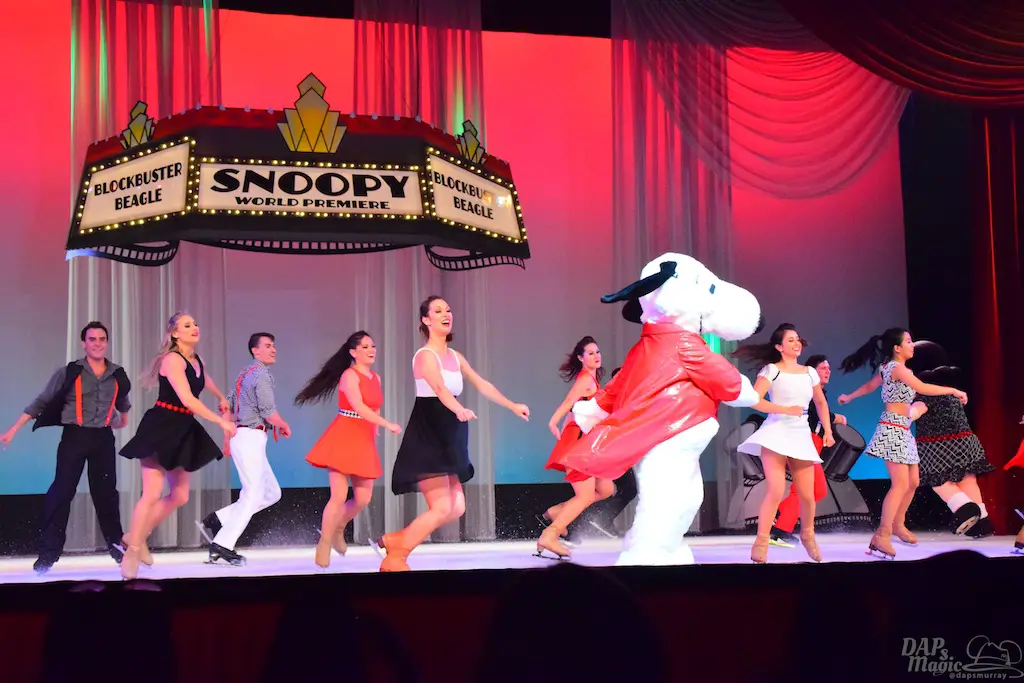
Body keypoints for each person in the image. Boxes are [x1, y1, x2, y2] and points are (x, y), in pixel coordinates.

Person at [377, 296, 530, 571]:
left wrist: (512, 405)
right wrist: (459, 409)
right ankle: (395, 557)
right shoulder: (425, 356)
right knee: (440, 507)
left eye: (448, 309)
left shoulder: (456, 357)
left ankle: (395, 539)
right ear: (426, 320)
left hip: (451, 435)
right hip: (429, 434)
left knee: (456, 508)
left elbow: (482, 384)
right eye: (438, 311)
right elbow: (438, 388)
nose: (446, 314)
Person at [0, 322, 131, 574]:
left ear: (106, 342)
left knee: (106, 495)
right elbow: (41, 401)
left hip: (103, 439)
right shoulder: (70, 372)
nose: (97, 343)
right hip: (75, 437)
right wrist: (14, 429)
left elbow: (123, 408)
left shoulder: (117, 375)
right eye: (92, 339)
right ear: (84, 343)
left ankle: (118, 551)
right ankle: (47, 556)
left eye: (102, 339)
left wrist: (118, 421)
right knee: (61, 493)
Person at [119, 312, 236, 580]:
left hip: (183, 427)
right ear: (175, 333)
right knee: (152, 492)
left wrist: (220, 397)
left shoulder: (196, 359)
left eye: (195, 324)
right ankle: (133, 549)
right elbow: (187, 398)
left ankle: (134, 535)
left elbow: (203, 380)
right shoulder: (172, 360)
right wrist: (220, 421)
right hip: (162, 425)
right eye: (187, 325)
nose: (194, 327)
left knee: (180, 495)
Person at [838, 327, 967, 560]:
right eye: (908, 341)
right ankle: (882, 535)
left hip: (903, 429)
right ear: (897, 348)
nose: (912, 345)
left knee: (913, 482)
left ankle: (898, 524)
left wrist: (850, 396)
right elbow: (922, 388)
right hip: (892, 429)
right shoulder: (896, 368)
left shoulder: (892, 368)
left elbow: (871, 386)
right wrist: (953, 390)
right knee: (900, 484)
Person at [294, 331, 402, 569]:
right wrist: (386, 423)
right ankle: (324, 543)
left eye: (372, 346)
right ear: (353, 352)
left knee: (363, 498)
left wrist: (375, 428)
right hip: (344, 434)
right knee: (339, 496)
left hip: (364, 438)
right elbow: (359, 406)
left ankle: (338, 528)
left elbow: (373, 406)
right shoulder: (349, 376)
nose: (371, 350)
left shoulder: (376, 377)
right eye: (365, 347)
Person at [734, 324, 835, 564]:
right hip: (776, 432)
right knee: (776, 489)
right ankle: (761, 541)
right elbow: (755, 401)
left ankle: (808, 535)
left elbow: (820, 402)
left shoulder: (810, 373)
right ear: (779, 347)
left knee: (807, 495)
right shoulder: (772, 370)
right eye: (790, 340)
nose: (796, 343)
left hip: (800, 434)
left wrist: (828, 431)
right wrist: (784, 409)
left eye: (797, 339)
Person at [198, 333, 291, 566]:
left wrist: (228, 437)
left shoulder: (245, 373)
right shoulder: (260, 374)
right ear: (255, 351)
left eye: (274, 345)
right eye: (268, 346)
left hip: (248, 437)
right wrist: (283, 424)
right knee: (252, 494)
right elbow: (268, 410)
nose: (273, 349)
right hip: (249, 437)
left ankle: (219, 519)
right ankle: (222, 544)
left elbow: (227, 405)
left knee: (271, 493)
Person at [906, 340, 991, 537]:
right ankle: (982, 522)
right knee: (968, 480)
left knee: (939, 481)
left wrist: (900, 417)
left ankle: (964, 508)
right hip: (966, 442)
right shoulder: (953, 392)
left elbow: (915, 412)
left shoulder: (925, 395)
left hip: (937, 445)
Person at [536, 336, 611, 548]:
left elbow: (577, 410)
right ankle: (552, 533)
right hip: (578, 443)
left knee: (605, 489)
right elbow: (569, 401)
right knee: (585, 496)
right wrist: (553, 421)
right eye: (590, 353)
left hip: (586, 442)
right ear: (580, 358)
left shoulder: (592, 380)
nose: (596, 356)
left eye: (597, 352)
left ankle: (555, 513)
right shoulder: (585, 379)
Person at [769, 354, 846, 547]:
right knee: (808, 489)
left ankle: (779, 514)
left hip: (813, 442)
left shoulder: (818, 393)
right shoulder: (807, 391)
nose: (828, 371)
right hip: (804, 441)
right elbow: (812, 413)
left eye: (829, 368)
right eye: (823, 368)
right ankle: (779, 530)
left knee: (816, 490)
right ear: (812, 372)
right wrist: (835, 418)